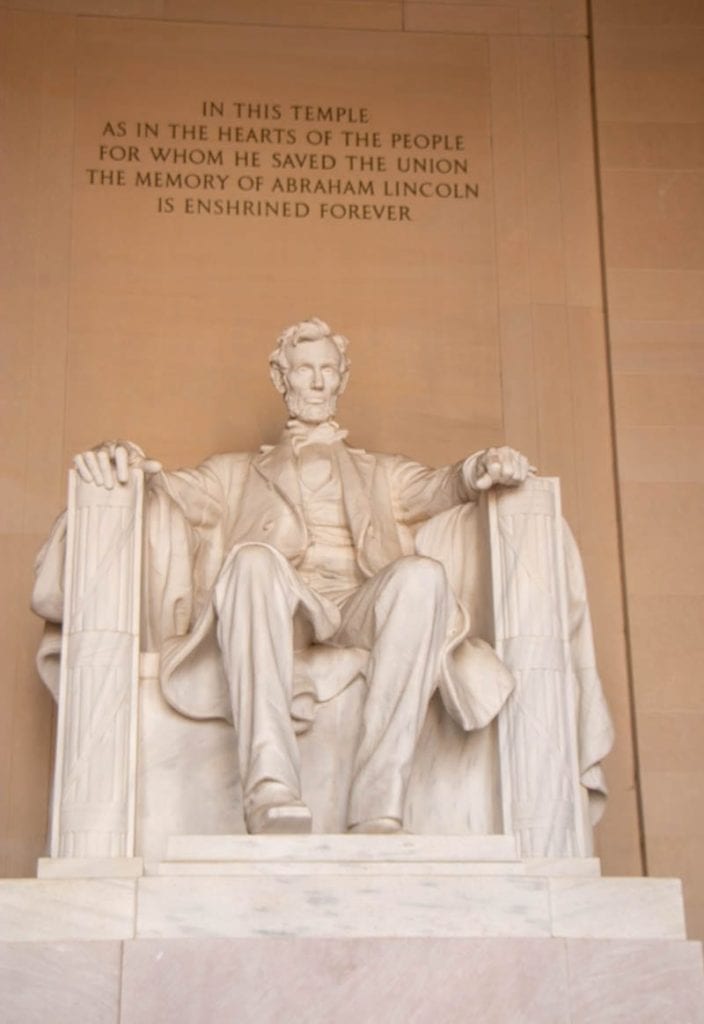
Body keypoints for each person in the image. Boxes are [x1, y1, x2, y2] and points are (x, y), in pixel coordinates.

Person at [68, 318, 532, 835]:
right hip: (280, 606)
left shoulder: (382, 472)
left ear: (343, 378)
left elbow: (444, 486)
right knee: (250, 561)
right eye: (304, 369)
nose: (316, 382)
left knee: (422, 577)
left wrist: (484, 465)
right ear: (279, 377)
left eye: (327, 371)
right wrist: (122, 459)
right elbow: (163, 489)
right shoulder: (233, 473)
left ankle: (379, 804)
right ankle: (270, 790)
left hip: (359, 606)